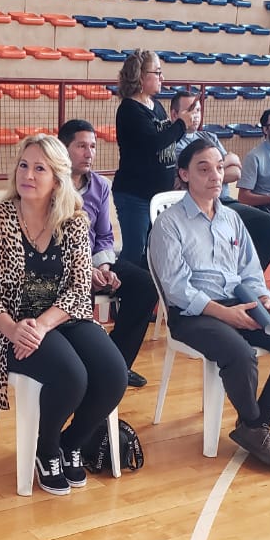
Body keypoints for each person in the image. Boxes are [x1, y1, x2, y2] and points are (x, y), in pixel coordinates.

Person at [0, 135, 127, 496]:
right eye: (24, 165)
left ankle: (71, 442)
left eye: (40, 168)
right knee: (71, 375)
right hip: (9, 328)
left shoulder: (73, 222)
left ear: (57, 178)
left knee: (114, 374)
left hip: (61, 319)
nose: (28, 175)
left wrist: (42, 325)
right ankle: (46, 447)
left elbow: (80, 286)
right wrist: (13, 329)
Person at [149, 139, 270, 468]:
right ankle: (254, 423)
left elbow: (250, 270)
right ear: (184, 174)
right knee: (240, 354)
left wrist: (263, 297)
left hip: (239, 303)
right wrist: (225, 314)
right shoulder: (169, 224)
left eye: (218, 167)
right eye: (203, 169)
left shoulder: (231, 218)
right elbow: (176, 289)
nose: (215, 175)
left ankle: (256, 423)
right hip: (194, 313)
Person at [59, 119, 157, 389]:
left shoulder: (100, 185)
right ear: (63, 148)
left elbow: (104, 236)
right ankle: (82, 370)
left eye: (92, 146)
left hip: (95, 259)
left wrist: (103, 268)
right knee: (80, 290)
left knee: (145, 285)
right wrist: (84, 270)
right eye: (81, 146)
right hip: (63, 264)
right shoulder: (51, 184)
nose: (89, 153)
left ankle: (118, 364)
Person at [171, 93, 270, 272]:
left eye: (198, 110)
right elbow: (215, 172)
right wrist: (225, 163)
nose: (196, 115)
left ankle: (245, 275)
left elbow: (236, 172)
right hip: (199, 205)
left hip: (226, 202)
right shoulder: (174, 144)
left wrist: (211, 171)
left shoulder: (209, 136)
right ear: (175, 114)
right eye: (190, 110)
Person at [111, 49, 186, 268]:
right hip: (135, 195)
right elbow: (154, 144)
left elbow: (167, 145)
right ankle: (123, 286)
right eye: (157, 72)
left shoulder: (157, 106)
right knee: (135, 252)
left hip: (158, 194)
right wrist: (181, 124)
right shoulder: (129, 109)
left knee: (156, 250)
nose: (162, 77)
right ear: (141, 76)